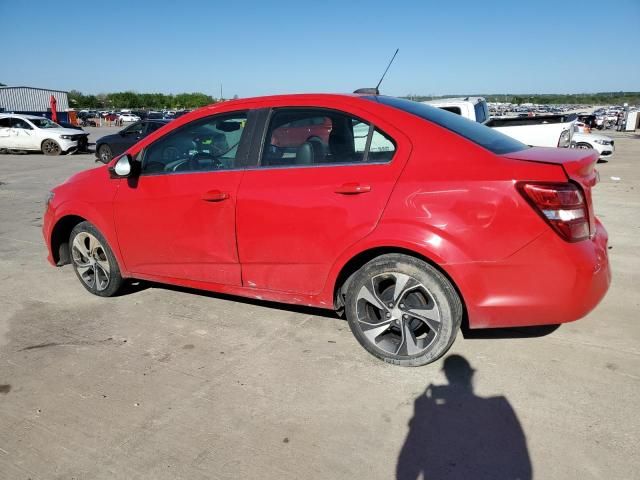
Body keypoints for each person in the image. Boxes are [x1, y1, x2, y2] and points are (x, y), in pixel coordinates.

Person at [396, 355, 532, 480]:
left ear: (445, 374)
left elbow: (409, 454)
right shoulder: (499, 406)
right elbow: (519, 445)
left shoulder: (431, 410)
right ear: (470, 375)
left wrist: (422, 410)